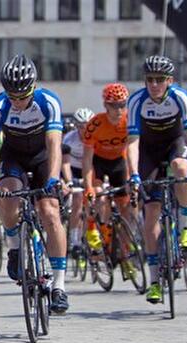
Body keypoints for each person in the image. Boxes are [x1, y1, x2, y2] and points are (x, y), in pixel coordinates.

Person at [0, 54, 70, 314]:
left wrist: (53, 179)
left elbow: (54, 144)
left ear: (33, 87)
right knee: (7, 197)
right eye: (13, 97)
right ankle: (15, 248)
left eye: (23, 96)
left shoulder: (48, 102)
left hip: (43, 158)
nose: (18, 102)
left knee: (50, 212)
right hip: (14, 157)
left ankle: (59, 286)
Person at [125, 55, 187, 304]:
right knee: (151, 217)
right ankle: (155, 281)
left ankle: (186, 227)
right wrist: (134, 174)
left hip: (174, 144)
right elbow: (132, 142)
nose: (154, 84)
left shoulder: (180, 97)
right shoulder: (137, 100)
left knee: (181, 167)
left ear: (169, 81)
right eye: (149, 79)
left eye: (159, 79)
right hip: (149, 151)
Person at [80, 84, 134, 271]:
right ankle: (96, 228)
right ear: (105, 105)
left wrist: (134, 176)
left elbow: (135, 150)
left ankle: (125, 253)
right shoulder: (95, 124)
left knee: (126, 207)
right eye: (114, 105)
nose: (119, 110)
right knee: (99, 195)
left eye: (122, 105)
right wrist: (88, 187)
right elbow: (87, 159)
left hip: (119, 162)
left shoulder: (129, 121)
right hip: (99, 162)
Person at [62, 108, 93, 258]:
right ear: (76, 126)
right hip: (73, 169)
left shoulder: (95, 137)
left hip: (89, 168)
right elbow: (65, 163)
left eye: (87, 126)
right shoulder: (69, 139)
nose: (84, 130)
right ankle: (74, 240)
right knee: (77, 200)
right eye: (81, 126)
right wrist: (70, 181)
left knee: (92, 201)